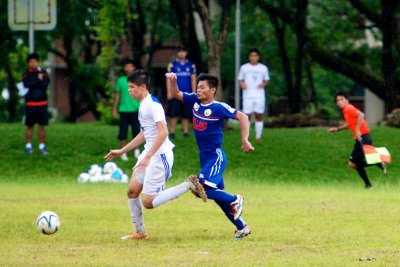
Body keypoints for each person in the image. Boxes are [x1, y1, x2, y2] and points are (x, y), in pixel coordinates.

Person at [104, 70, 206, 240]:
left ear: (143, 87)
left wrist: (148, 156)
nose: (129, 90)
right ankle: (140, 232)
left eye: (131, 87)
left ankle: (188, 185)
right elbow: (145, 133)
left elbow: (163, 132)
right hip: (150, 152)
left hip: (160, 155)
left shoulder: (153, 105)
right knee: (132, 191)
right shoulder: (143, 104)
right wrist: (122, 151)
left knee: (148, 202)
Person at [166, 72, 254, 239]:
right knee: (217, 197)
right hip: (205, 158)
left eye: (202, 87)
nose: (198, 90)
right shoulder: (195, 102)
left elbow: (243, 117)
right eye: (197, 87)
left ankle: (235, 199)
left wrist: (245, 140)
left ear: (212, 90)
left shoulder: (218, 107)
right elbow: (175, 94)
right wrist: (173, 81)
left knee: (199, 186)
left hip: (215, 156)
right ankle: (242, 227)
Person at [328, 92, 385, 189]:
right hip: (362, 138)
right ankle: (368, 184)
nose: (340, 102)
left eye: (342, 99)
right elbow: (350, 123)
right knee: (353, 164)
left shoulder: (349, 108)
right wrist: (337, 129)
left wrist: (357, 130)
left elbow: (361, 115)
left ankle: (377, 161)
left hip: (362, 137)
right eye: (338, 100)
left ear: (347, 100)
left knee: (355, 163)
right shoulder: (346, 111)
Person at [238, 48, 270, 142]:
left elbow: (266, 79)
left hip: (259, 95)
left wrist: (263, 84)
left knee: (258, 115)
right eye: (251, 55)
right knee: (246, 115)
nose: (253, 57)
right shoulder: (244, 67)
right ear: (249, 57)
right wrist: (242, 84)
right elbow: (240, 79)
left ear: (258, 57)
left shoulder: (263, 68)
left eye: (255, 55)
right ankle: (245, 137)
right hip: (248, 94)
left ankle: (258, 136)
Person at [22, 53, 50, 155]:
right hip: (30, 104)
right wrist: (38, 80)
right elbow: (26, 84)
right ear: (28, 63)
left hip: (42, 103)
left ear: (37, 62)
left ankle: (42, 146)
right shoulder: (26, 74)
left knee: (42, 126)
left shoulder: (43, 72)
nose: (33, 63)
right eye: (31, 62)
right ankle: (28, 146)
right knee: (30, 126)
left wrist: (36, 82)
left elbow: (45, 84)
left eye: (35, 61)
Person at [166, 46, 197, 139]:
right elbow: (168, 79)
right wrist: (169, 92)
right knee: (173, 113)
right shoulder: (172, 65)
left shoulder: (191, 65)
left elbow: (193, 78)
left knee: (186, 113)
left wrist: (194, 92)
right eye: (180, 51)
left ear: (186, 53)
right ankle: (171, 132)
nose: (182, 53)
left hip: (186, 94)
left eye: (184, 51)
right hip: (175, 94)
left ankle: (186, 132)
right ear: (177, 53)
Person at [113, 59, 141, 161]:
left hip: (135, 109)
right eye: (127, 66)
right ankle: (122, 152)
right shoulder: (120, 80)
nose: (129, 68)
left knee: (136, 131)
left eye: (131, 66)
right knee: (123, 131)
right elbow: (117, 95)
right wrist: (115, 109)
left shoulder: (138, 80)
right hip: (124, 109)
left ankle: (136, 151)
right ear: (125, 68)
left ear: (134, 68)